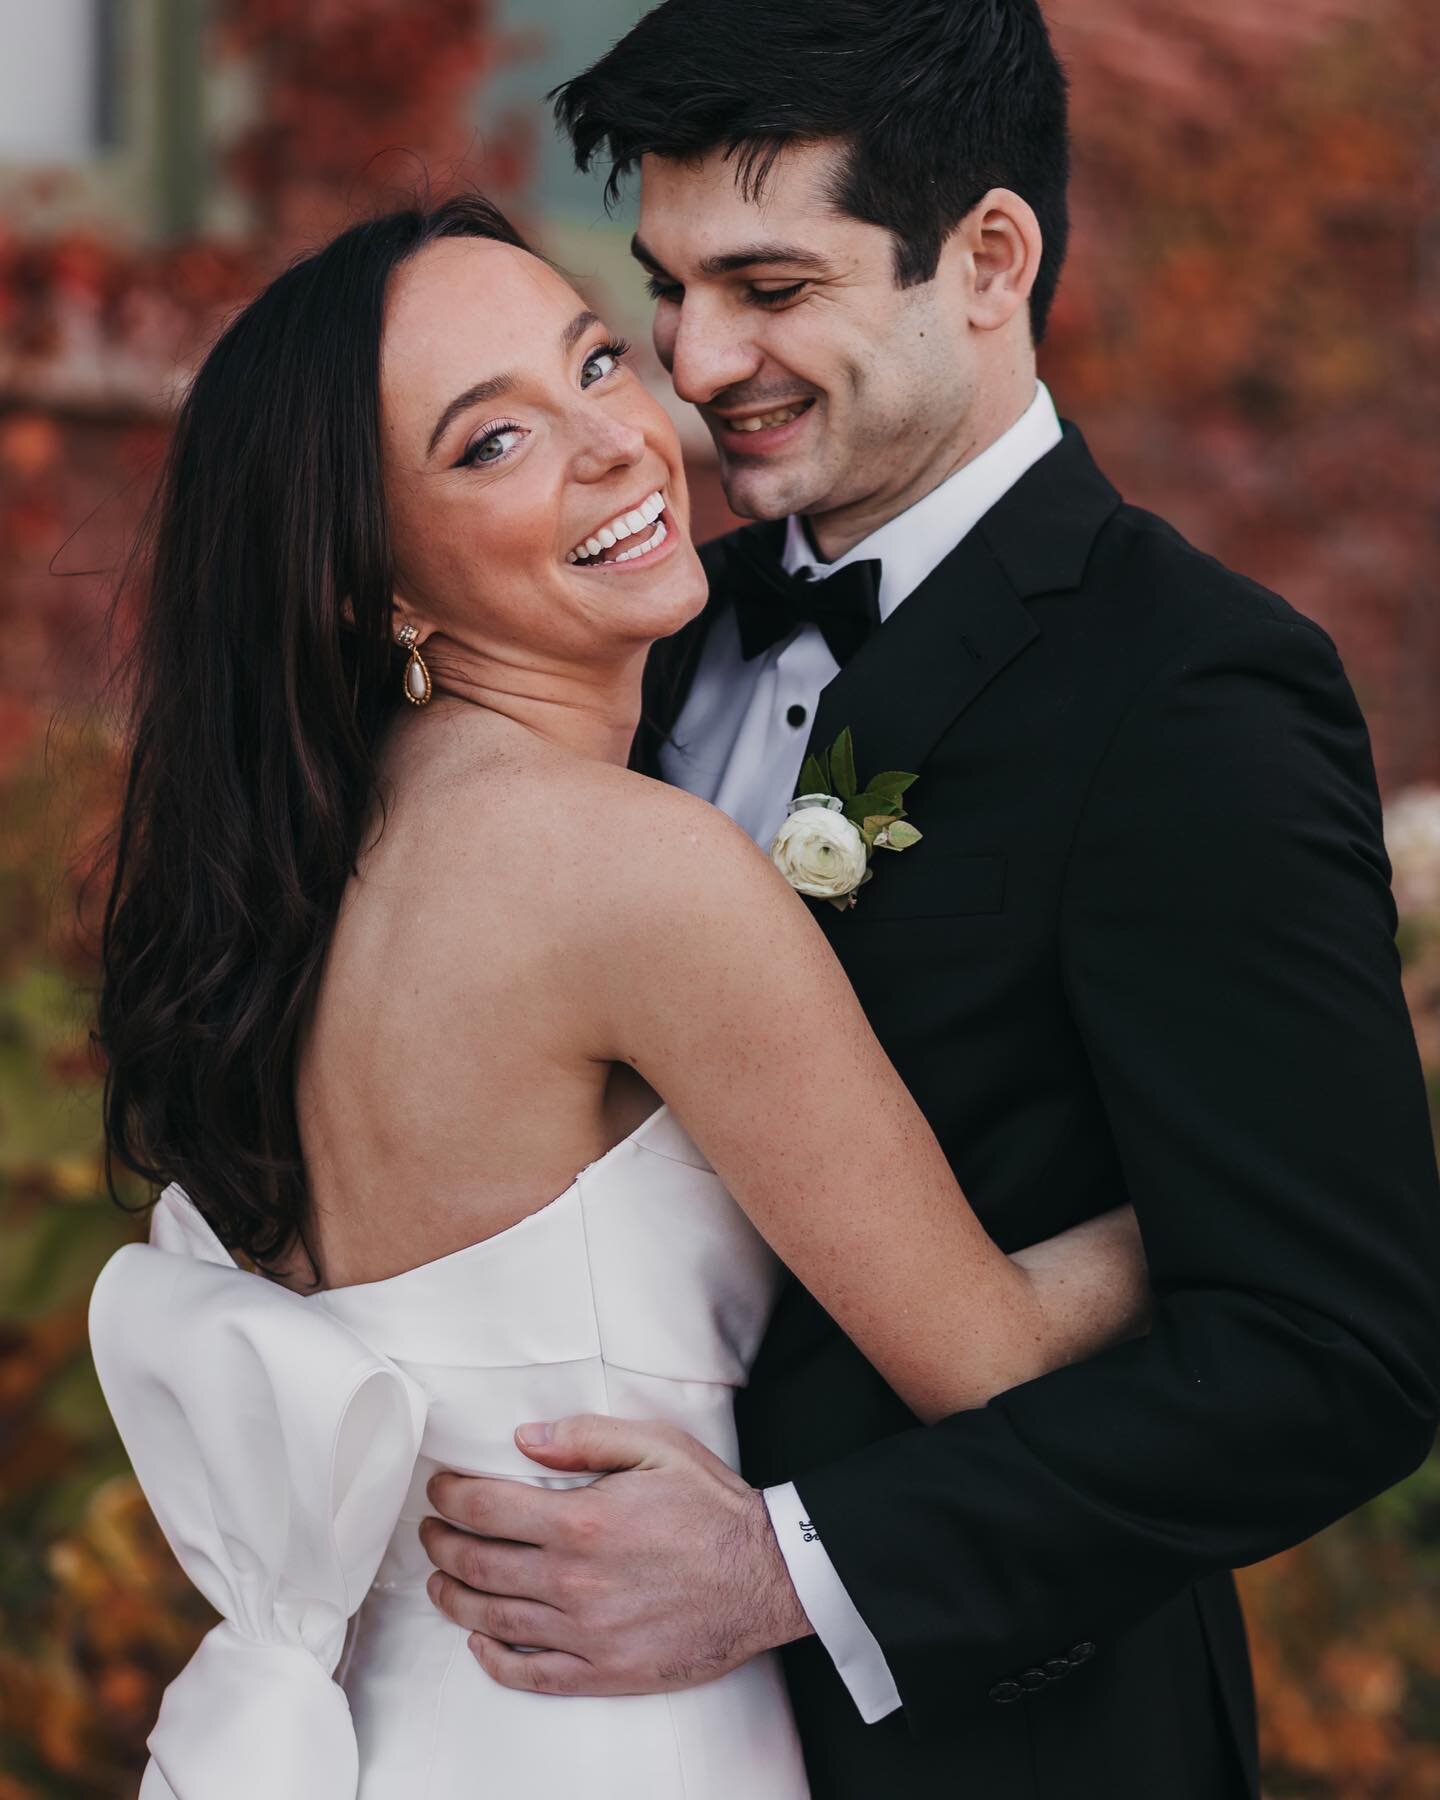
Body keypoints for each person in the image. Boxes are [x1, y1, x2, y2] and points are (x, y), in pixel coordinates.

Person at [416, 3, 1440, 1796]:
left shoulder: (1188, 692)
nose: (696, 359)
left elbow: (1337, 1356)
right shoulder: (635, 636)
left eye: (768, 284)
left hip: (998, 1750)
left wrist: (790, 1569)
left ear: (986, 258)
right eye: (664, 289)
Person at [87, 194, 1152, 1799]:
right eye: (489, 445)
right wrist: (1217, 1187)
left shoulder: (305, 873)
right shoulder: (626, 872)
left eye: (594, 362)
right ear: (375, 582)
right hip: (605, 1726)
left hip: (396, 1720)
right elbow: (986, 1363)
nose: (613, 442)